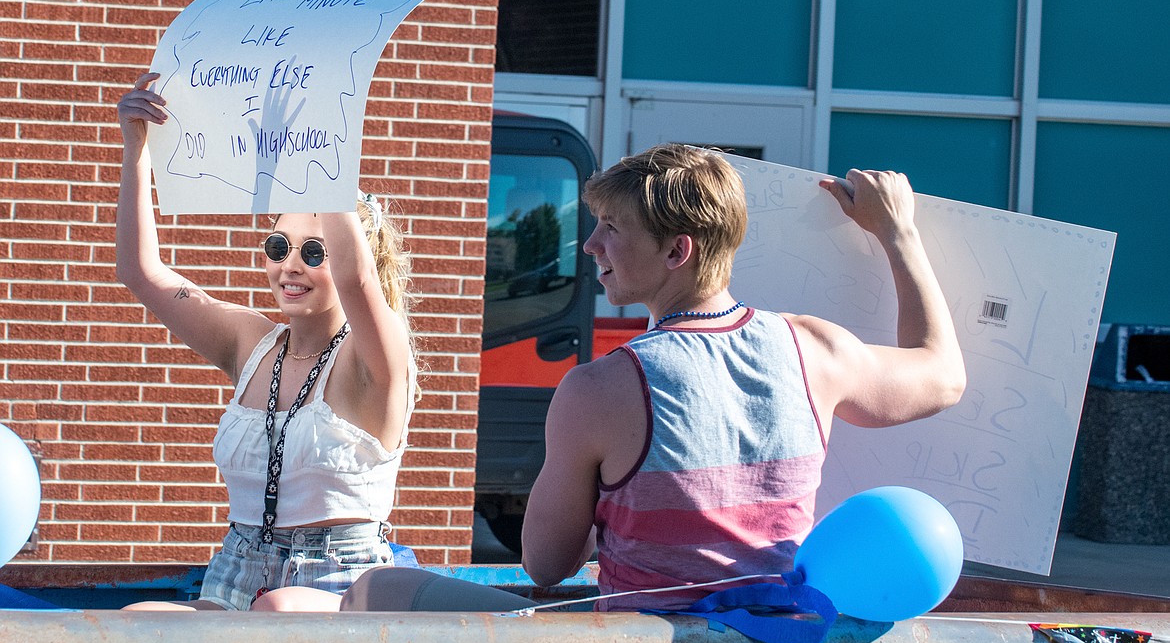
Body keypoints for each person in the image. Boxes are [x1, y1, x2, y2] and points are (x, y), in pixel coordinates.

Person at [339, 142, 965, 613]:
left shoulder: (599, 389)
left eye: (612, 228)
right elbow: (943, 375)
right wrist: (898, 231)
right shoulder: (816, 349)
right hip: (774, 637)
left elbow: (546, 564)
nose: (590, 247)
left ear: (677, 251)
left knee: (376, 588)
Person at [115, 72, 419, 611]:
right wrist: (136, 143)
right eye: (279, 246)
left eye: (314, 252)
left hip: (338, 583)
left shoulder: (374, 357)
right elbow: (143, 273)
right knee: (140, 621)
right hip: (238, 568)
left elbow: (357, 281)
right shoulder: (251, 343)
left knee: (274, 614)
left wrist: (323, 153)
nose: (290, 266)